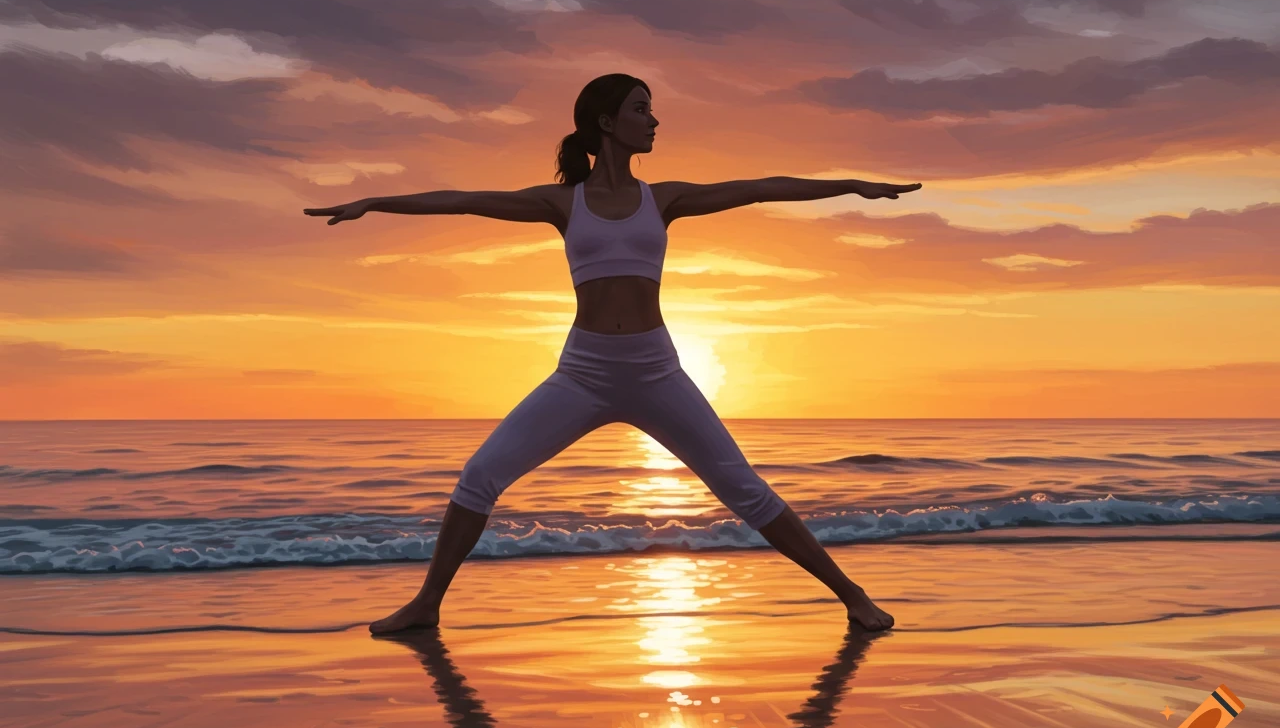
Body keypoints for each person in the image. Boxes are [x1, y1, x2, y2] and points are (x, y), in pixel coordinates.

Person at [304, 73, 923, 634]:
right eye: (641, 109)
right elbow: (463, 198)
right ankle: (426, 605)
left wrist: (850, 186)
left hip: (656, 370)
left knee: (744, 490)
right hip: (583, 372)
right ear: (607, 122)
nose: (654, 121)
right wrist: (376, 202)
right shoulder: (562, 203)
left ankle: (854, 597)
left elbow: (757, 189)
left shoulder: (666, 198)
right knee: (479, 477)